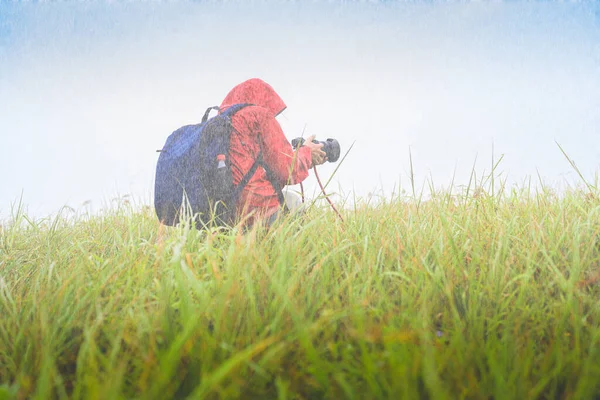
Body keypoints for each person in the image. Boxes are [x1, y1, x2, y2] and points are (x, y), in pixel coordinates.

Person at [219, 78, 326, 226]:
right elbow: (288, 170)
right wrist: (307, 152)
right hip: (257, 209)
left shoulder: (220, 127)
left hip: (223, 215)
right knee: (294, 203)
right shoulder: (258, 115)